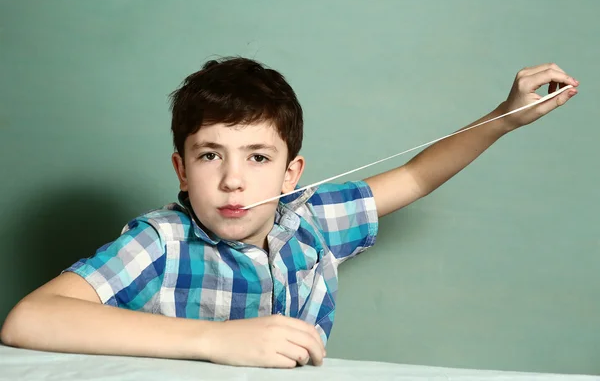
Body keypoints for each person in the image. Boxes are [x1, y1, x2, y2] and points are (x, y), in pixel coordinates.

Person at [0, 57, 578, 368]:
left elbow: (416, 175)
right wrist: (214, 341)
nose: (232, 179)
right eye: (210, 156)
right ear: (182, 169)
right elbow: (28, 320)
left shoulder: (311, 222)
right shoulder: (163, 241)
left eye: (257, 157)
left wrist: (503, 117)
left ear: (291, 174)